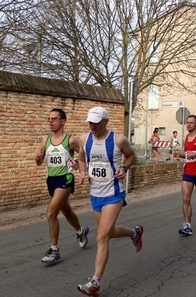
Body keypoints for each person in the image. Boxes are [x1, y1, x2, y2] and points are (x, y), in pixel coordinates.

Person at [77, 106, 143, 296]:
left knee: (101, 236)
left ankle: (95, 282)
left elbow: (131, 156)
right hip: (95, 193)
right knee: (109, 232)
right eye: (90, 122)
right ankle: (134, 233)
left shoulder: (118, 139)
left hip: (114, 193)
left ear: (105, 121)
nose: (93, 126)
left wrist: (124, 167)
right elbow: (81, 158)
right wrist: (82, 171)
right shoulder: (85, 138)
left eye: (97, 122)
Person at [35, 108, 89, 264]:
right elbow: (38, 163)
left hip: (65, 179)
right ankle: (81, 231)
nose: (51, 121)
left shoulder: (70, 140)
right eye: (49, 119)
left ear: (63, 121)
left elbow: (83, 155)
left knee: (51, 213)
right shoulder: (45, 140)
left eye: (54, 118)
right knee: (66, 211)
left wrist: (77, 163)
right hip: (51, 181)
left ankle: (54, 250)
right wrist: (37, 157)